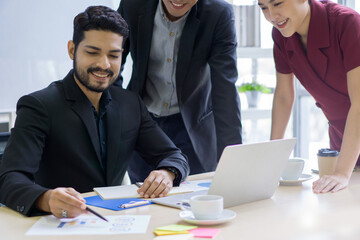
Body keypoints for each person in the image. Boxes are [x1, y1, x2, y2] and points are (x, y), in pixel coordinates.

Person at [0, 6, 189, 219]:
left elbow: (174, 155)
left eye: (113, 55)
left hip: (116, 221)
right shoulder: (39, 105)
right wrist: (47, 198)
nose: (104, 64)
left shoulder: (130, 103)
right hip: (58, 223)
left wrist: (167, 172)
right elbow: (9, 179)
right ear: (72, 50)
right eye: (92, 52)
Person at [117, 0, 243, 183]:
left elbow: (225, 89)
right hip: (144, 124)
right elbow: (112, 61)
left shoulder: (218, 13)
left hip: (193, 129)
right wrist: (121, 111)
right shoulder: (133, 5)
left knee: (193, 203)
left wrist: (233, 158)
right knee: (144, 200)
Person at [258, 0, 360, 193]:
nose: (271, 15)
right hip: (345, 141)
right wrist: (271, 161)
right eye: (263, 7)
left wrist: (341, 173)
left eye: (277, 3)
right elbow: (283, 97)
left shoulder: (347, 23)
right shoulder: (281, 35)